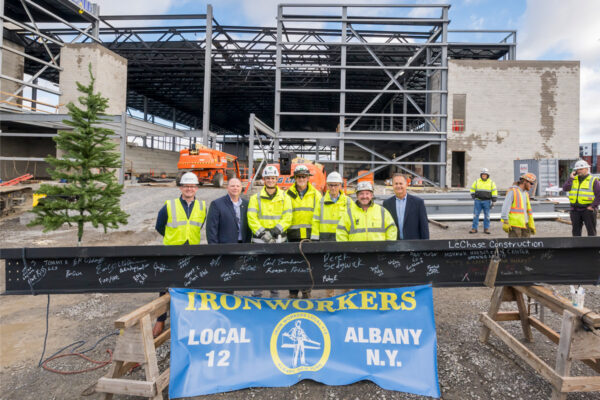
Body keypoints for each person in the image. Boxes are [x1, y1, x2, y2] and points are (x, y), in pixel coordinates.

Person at [153, 171, 206, 336]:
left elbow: (199, 225)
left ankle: (184, 318)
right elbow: (159, 226)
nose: (189, 189)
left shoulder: (203, 206)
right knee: (165, 286)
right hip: (171, 251)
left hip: (191, 251)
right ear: (181, 187)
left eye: (192, 186)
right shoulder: (169, 205)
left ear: (196, 188)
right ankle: (160, 320)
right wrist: (172, 238)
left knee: (188, 284)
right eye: (186, 186)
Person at [247, 165, 292, 298]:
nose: (271, 180)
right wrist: (262, 234)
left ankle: (275, 295)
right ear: (264, 179)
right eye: (268, 178)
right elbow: (251, 218)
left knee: (275, 269)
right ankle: (256, 294)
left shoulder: (285, 197)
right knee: (258, 268)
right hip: (259, 241)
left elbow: (288, 217)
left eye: (273, 178)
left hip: (278, 240)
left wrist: (274, 232)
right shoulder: (255, 198)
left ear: (276, 179)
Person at [310, 171, 351, 297]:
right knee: (329, 271)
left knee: (344, 270)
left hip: (342, 241)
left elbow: (353, 221)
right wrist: (315, 240)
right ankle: (330, 298)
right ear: (327, 186)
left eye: (335, 185)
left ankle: (345, 297)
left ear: (340, 185)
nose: (333, 188)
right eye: (331, 185)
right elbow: (316, 221)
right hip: (326, 241)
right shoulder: (321, 202)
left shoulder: (348, 202)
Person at [286, 165, 322, 299]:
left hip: (309, 236)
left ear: (308, 178)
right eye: (299, 176)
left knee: (307, 265)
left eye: (304, 176)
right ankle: (293, 292)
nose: (301, 179)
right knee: (292, 265)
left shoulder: (316, 195)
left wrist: (315, 236)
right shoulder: (287, 194)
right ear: (295, 178)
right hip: (292, 235)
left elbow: (318, 216)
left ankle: (306, 291)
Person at [382, 173, 429, 240]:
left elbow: (424, 227)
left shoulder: (418, 203)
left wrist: (425, 246)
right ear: (392, 185)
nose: (398, 186)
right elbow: (385, 226)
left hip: (413, 244)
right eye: (396, 183)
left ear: (406, 184)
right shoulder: (387, 203)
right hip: (394, 244)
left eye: (401, 183)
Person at [206, 177, 251, 244]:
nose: (235, 188)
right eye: (232, 186)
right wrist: (214, 249)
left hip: (243, 246)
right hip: (225, 247)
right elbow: (211, 229)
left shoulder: (246, 204)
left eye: (238, 186)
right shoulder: (217, 204)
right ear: (227, 188)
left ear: (241, 188)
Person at [562, 159, 599, 236]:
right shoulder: (573, 179)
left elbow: (599, 195)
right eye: (577, 169)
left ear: (587, 169)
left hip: (588, 210)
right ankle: (576, 247)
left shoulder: (593, 180)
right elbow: (565, 188)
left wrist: (593, 206)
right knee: (575, 232)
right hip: (575, 210)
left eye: (581, 169)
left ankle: (592, 248)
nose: (579, 171)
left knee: (591, 231)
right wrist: (571, 178)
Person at [500, 173, 536, 238]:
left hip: (525, 224)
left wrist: (531, 224)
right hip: (515, 225)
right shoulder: (513, 191)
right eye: (531, 183)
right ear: (525, 181)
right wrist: (505, 221)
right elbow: (506, 206)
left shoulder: (526, 194)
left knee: (526, 245)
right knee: (514, 245)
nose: (532, 186)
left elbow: (528, 211)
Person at [469, 167, 498, 234]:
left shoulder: (491, 183)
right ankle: (474, 229)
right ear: (481, 175)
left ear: (487, 175)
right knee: (476, 215)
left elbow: (494, 192)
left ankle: (486, 229)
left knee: (487, 216)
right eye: (483, 174)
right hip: (478, 201)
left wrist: (494, 201)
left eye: (485, 175)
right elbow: (472, 189)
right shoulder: (477, 181)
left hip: (487, 201)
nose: (484, 176)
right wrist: (473, 196)